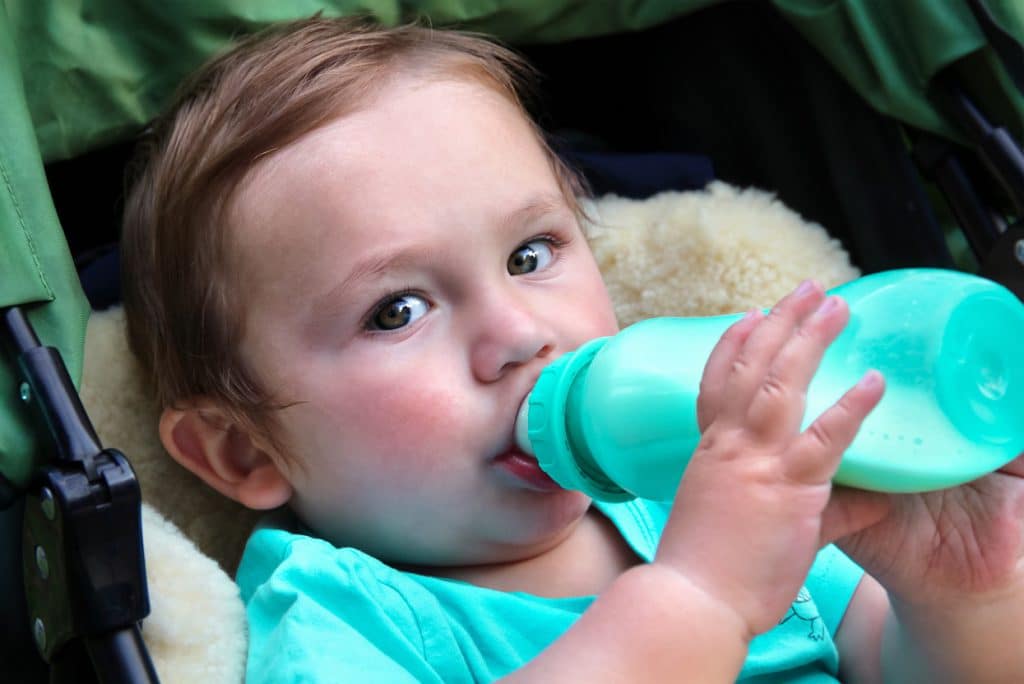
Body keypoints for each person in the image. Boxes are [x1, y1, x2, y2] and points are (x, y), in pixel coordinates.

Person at [121, 16, 1024, 682]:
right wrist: (700, 598)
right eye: (396, 310)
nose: (518, 333)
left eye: (530, 255)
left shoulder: (700, 489)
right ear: (244, 449)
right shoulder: (339, 619)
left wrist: (965, 597)